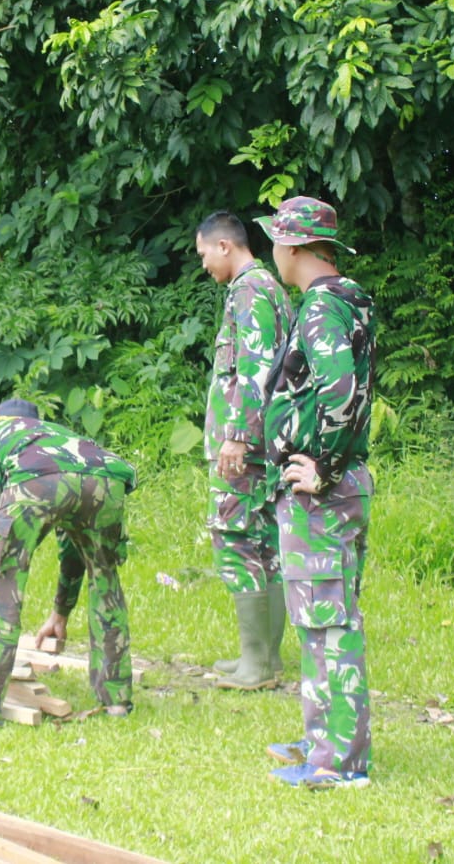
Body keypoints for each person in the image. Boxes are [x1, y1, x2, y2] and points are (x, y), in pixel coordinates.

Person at [256, 196, 375, 789]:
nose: (273, 253)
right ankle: (321, 737)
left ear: (294, 248)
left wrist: (321, 466)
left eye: (275, 242)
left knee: (329, 622)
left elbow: (340, 391)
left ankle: (340, 762)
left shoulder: (324, 305)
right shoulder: (343, 298)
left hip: (325, 493)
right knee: (317, 617)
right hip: (333, 489)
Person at [0, 398, 137, 729]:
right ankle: (117, 701)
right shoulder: (57, 436)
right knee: (105, 579)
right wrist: (61, 612)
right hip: (106, 478)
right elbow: (74, 547)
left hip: (39, 480)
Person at [196, 210, 294, 690]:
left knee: (236, 541)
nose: (204, 265)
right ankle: (265, 660)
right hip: (262, 442)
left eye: (204, 254)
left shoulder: (251, 290)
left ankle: (256, 665)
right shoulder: (267, 287)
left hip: (246, 446)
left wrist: (236, 435)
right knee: (265, 545)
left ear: (225, 246)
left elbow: (255, 368)